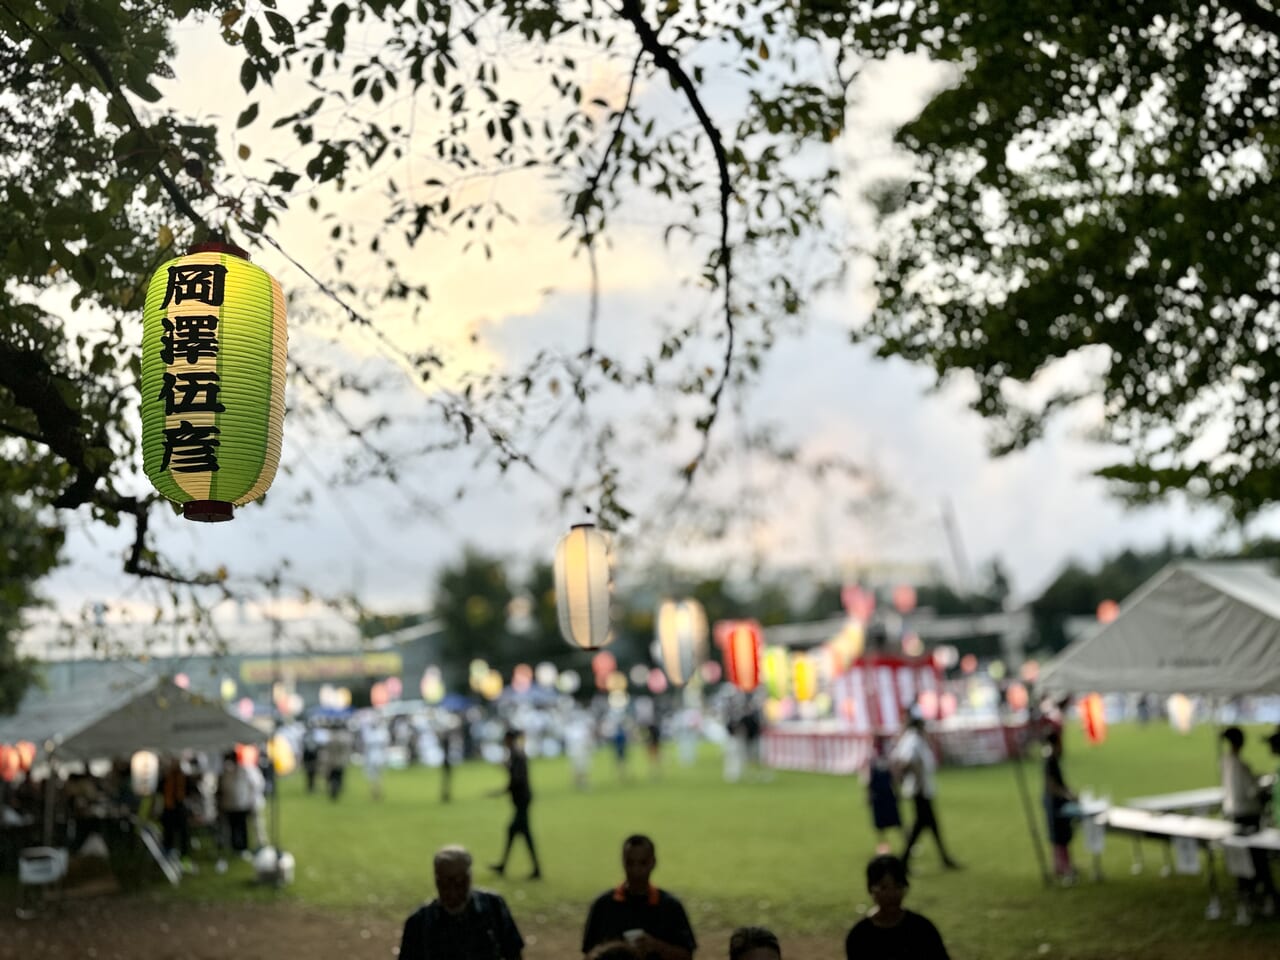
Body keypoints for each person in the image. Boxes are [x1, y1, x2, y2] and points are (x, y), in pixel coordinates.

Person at [398, 845, 524, 960]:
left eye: (459, 883)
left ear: (470, 879)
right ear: (436, 880)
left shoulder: (494, 906)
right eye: (445, 883)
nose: (452, 891)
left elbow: (514, 953)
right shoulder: (419, 922)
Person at [582, 834, 697, 960]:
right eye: (630, 863)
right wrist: (619, 951)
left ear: (653, 862)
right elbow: (588, 954)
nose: (636, 870)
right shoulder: (603, 906)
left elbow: (687, 956)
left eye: (643, 863)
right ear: (623, 862)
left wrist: (656, 946)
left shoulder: (670, 907)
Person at [844, 854, 950, 960]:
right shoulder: (860, 936)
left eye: (898, 886)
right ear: (870, 889)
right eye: (883, 888)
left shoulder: (922, 929)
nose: (892, 894)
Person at [1220, 726, 1278, 920]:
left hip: (1235, 814)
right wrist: (1263, 785)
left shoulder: (1227, 761)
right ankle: (1263, 898)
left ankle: (1252, 899)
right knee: (1256, 859)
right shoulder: (1238, 765)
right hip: (1247, 815)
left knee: (1245, 859)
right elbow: (1250, 791)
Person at [892, 714, 960, 871]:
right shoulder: (913, 740)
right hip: (920, 790)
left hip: (922, 789)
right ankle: (904, 861)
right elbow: (906, 762)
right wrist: (914, 780)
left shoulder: (913, 739)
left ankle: (943, 858)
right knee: (921, 825)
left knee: (929, 825)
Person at [489, 729, 542, 879]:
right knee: (516, 832)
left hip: (522, 800)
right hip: (521, 799)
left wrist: (501, 791)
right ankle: (504, 866)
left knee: (518, 832)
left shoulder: (517, 754)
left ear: (509, 739)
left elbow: (517, 779)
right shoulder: (515, 754)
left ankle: (533, 869)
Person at [1042, 729, 1077, 882]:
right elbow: (1051, 785)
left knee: (1062, 835)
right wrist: (1066, 794)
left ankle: (1062, 865)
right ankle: (1062, 866)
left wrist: (1069, 792)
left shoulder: (1053, 759)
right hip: (1054, 803)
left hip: (1057, 801)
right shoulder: (1050, 760)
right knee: (1059, 836)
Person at [865, 735, 902, 855]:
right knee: (880, 823)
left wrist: (897, 790)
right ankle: (883, 845)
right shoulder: (872, 757)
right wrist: (868, 794)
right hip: (878, 795)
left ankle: (908, 843)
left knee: (897, 821)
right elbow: (868, 778)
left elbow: (894, 775)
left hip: (887, 793)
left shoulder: (887, 756)